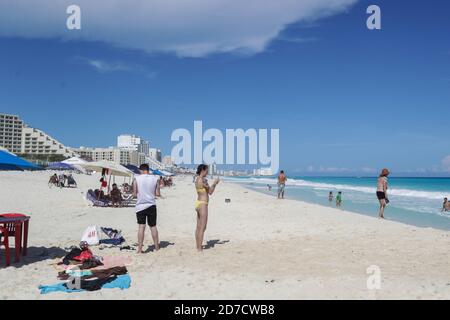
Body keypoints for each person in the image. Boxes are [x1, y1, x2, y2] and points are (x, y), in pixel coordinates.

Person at [133, 164, 161, 254]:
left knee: (141, 227)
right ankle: (157, 247)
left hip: (140, 206)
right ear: (148, 170)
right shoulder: (155, 178)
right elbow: (157, 193)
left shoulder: (136, 179)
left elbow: (134, 194)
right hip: (151, 205)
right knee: (153, 226)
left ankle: (140, 249)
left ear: (141, 170)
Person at [195, 164, 220, 252]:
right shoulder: (203, 180)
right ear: (203, 170)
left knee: (198, 227)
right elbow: (210, 192)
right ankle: (199, 248)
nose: (207, 172)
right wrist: (215, 183)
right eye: (207, 170)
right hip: (203, 204)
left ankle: (198, 246)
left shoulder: (197, 179)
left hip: (198, 203)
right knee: (203, 227)